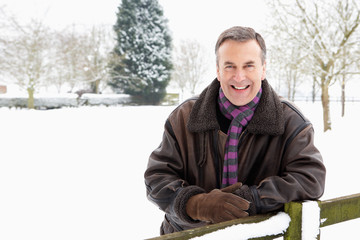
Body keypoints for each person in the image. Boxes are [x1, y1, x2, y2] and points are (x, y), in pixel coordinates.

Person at [144, 26, 326, 235]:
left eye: (249, 66)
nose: (239, 77)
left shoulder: (292, 121)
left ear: (263, 69)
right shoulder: (183, 117)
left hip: (257, 237)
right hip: (189, 236)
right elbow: (157, 178)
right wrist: (197, 204)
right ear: (218, 70)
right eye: (230, 66)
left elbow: (310, 179)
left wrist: (252, 199)